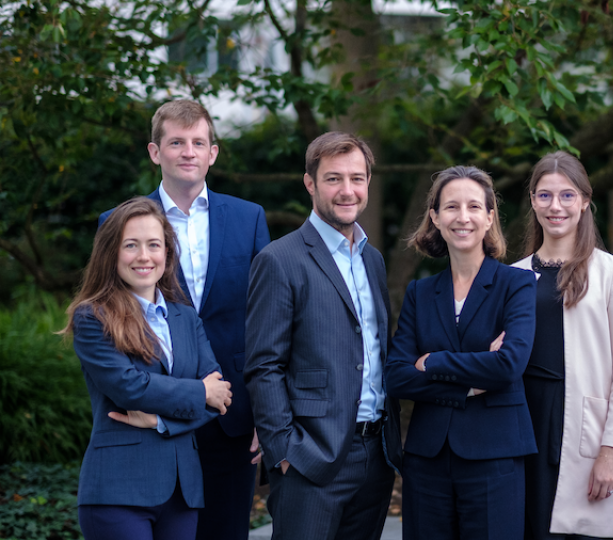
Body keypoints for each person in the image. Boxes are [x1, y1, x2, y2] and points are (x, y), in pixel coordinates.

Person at [99, 99, 270, 540]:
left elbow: (268, 323)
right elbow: (110, 319)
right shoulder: (119, 225)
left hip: (233, 414)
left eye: (198, 142)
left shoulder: (249, 218)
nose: (188, 151)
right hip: (149, 416)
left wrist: (267, 415)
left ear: (213, 152)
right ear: (156, 152)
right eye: (176, 142)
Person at [244, 131, 401, 540]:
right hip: (310, 458)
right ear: (310, 183)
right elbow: (263, 365)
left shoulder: (373, 259)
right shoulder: (279, 260)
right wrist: (284, 452)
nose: (347, 190)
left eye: (357, 178)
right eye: (334, 179)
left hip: (376, 455)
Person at [63, 197, 233, 540]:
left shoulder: (186, 317)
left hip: (183, 492)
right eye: (131, 245)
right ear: (111, 253)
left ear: (167, 252)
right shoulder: (92, 317)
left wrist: (159, 421)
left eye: (154, 245)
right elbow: (130, 387)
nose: (144, 256)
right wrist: (199, 391)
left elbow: (219, 400)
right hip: (117, 492)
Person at [384, 165, 537, 540]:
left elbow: (507, 366)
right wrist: (467, 385)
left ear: (489, 217)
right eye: (451, 207)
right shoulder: (422, 293)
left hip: (495, 455)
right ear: (435, 218)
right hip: (427, 460)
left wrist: (433, 361)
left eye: (473, 207)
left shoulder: (517, 284)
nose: (462, 217)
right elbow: (396, 375)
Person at [513, 151, 613, 539]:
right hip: (523, 424)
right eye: (545, 196)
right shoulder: (512, 276)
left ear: (585, 201)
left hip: (581, 431)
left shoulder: (611, 272)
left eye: (567, 196)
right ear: (533, 200)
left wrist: (612, 450)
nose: (556, 207)